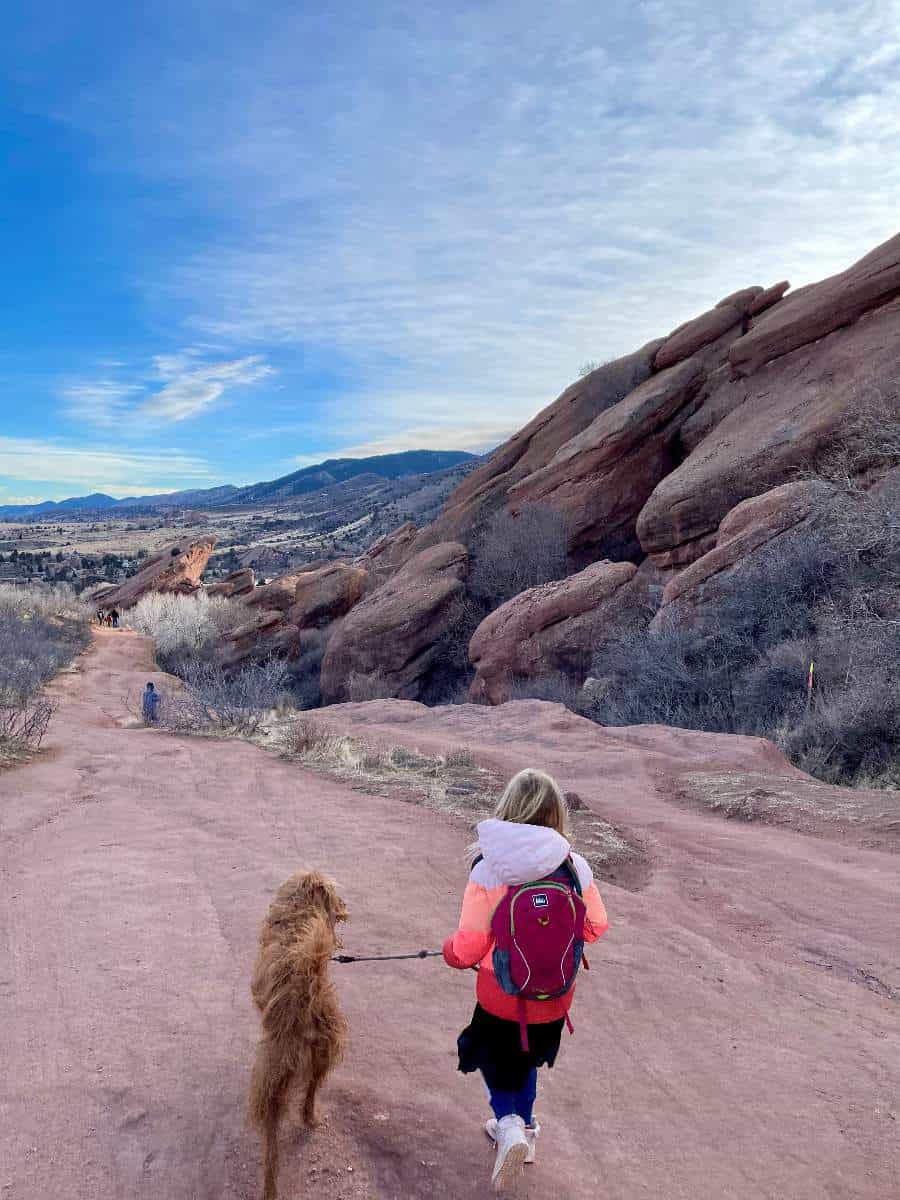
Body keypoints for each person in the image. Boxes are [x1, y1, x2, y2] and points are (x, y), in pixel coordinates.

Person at [443, 769, 608, 1191]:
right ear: (556, 813)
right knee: (527, 1057)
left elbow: (468, 948)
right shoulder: (576, 867)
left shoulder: (488, 869)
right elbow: (595, 928)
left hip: (500, 995)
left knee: (488, 1054)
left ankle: (509, 1123)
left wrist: (449, 952)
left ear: (508, 808)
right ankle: (527, 1133)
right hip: (553, 998)